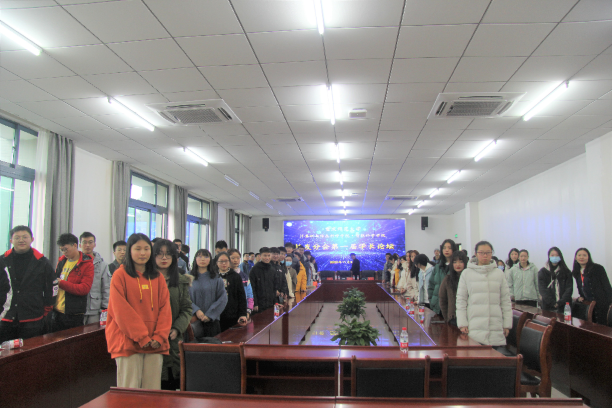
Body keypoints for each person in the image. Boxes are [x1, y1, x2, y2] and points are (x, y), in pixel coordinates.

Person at [106, 233, 172, 390]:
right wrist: (141, 336)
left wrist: (160, 336)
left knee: (152, 390)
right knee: (130, 390)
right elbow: (120, 311)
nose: (143, 253)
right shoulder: (119, 275)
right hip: (128, 341)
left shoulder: (158, 277)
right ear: (129, 251)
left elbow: (165, 309)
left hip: (155, 343)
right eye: (138, 249)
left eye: (146, 249)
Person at [0, 226, 55, 342]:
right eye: (17, 237)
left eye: (25, 237)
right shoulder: (2, 261)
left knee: (31, 351)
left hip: (32, 318)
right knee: (4, 351)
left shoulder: (42, 262)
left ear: (32, 239)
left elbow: (51, 287)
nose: (21, 240)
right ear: (11, 241)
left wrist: (47, 309)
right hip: (6, 317)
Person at [152, 239, 192, 391]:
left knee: (173, 381)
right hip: (152, 338)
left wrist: (177, 328)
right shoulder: (145, 280)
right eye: (160, 254)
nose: (164, 258)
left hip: (173, 338)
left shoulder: (181, 281)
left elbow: (186, 308)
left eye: (168, 254)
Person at [456, 241, 512, 346]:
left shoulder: (499, 274)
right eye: (481, 252)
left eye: (488, 252)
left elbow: (505, 300)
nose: (485, 255)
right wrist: (462, 323)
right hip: (474, 326)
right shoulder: (467, 273)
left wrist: (507, 325)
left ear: (492, 254)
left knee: (495, 355)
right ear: (476, 254)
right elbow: (461, 300)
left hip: (495, 327)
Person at [53, 233, 94, 331]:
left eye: (66, 249)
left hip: (74, 314)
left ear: (75, 245)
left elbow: (84, 289)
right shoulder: (62, 261)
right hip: (57, 311)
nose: (64, 252)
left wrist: (61, 283)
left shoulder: (86, 264)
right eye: (62, 250)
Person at [189, 249, 227, 338]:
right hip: (193, 320)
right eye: (199, 256)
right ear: (195, 259)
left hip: (212, 321)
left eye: (206, 257)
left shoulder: (216, 278)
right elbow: (184, 298)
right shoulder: (188, 277)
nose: (202, 259)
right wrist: (196, 310)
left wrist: (210, 314)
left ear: (210, 260)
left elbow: (223, 298)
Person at [572, 248, 612, 324]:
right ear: (576, 258)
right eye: (579, 255)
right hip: (589, 305)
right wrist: (581, 297)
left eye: (584, 255)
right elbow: (580, 288)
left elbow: (607, 287)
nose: (582, 257)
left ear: (588, 257)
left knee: (602, 326)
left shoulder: (598, 268)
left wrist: (610, 303)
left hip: (602, 304)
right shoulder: (576, 271)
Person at [79, 232, 111, 325]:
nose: (87, 245)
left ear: (94, 244)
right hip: (78, 307)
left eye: (90, 242)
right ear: (80, 245)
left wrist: (105, 307)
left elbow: (106, 287)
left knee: (93, 332)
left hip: (95, 308)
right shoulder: (76, 262)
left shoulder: (102, 265)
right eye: (84, 242)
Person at [216, 251, 247, 332]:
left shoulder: (235, 276)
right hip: (216, 315)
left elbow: (241, 296)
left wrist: (243, 314)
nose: (224, 263)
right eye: (221, 261)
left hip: (232, 314)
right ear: (216, 262)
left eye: (226, 261)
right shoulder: (213, 276)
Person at [538, 247, 573, 313]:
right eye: (552, 255)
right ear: (549, 256)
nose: (555, 257)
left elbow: (569, 289)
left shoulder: (566, 272)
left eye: (557, 255)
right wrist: (553, 303)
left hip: (564, 306)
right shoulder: (543, 272)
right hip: (548, 307)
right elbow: (542, 289)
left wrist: (560, 302)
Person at [429, 239, 457, 317]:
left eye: (449, 248)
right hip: (437, 306)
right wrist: (432, 301)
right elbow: (431, 285)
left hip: (451, 307)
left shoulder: (456, 267)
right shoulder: (437, 267)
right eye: (444, 248)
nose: (446, 250)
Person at [439, 251, 468, 325]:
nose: (458, 264)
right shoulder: (448, 279)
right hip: (453, 318)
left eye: (461, 261)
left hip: (468, 317)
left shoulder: (469, 278)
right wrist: (447, 317)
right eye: (455, 262)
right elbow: (442, 299)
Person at [231, 249, 254, 319]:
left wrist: (248, 310)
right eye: (233, 258)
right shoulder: (225, 276)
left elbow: (250, 295)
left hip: (243, 312)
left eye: (238, 258)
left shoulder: (244, 276)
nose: (235, 260)